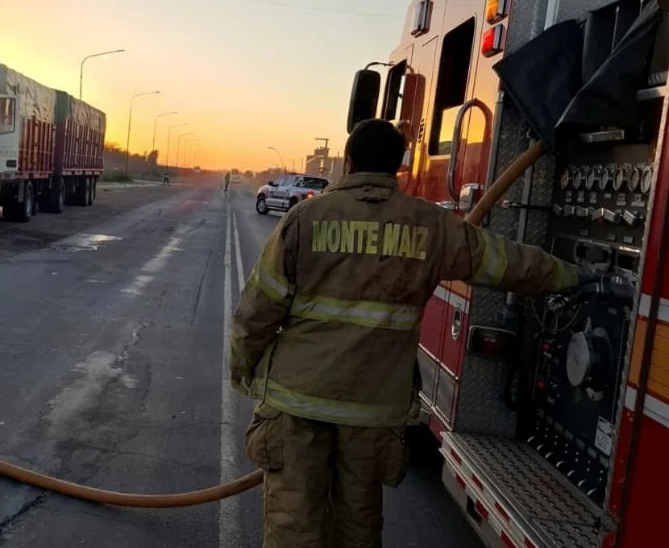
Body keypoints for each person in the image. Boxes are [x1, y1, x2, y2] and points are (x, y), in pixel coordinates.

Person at [229, 118, 586, 548]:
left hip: (296, 404)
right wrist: (575, 275)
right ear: (398, 166)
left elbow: (258, 308)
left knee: (293, 528)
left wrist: (242, 366)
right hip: (372, 410)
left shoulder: (306, 218)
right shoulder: (430, 225)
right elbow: (505, 262)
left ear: (349, 160)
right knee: (358, 526)